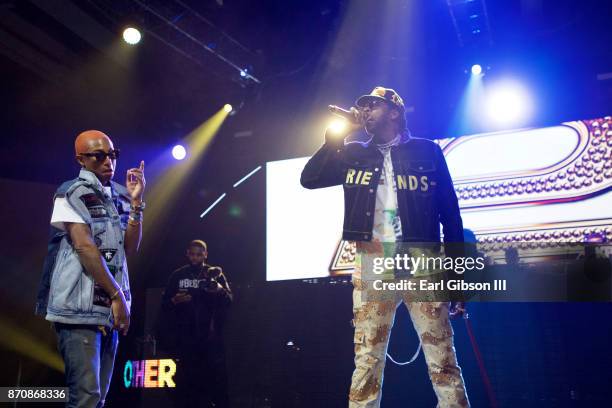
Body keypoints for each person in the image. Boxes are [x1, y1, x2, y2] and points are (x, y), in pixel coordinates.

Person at [301, 87, 470, 407]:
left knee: (442, 358)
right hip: (373, 259)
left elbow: (450, 213)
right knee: (367, 359)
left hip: (422, 260)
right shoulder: (353, 153)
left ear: (394, 112)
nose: (364, 112)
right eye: (362, 107)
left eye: (373, 106)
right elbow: (310, 179)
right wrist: (334, 139)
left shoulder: (427, 151)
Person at [35, 130, 145, 407]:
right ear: (81, 159)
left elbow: (128, 249)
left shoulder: (120, 195)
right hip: (78, 311)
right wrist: (117, 295)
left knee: (98, 399)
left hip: (108, 311)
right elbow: (84, 248)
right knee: (86, 397)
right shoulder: (71, 192)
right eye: (99, 156)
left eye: (112, 154)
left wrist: (136, 204)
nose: (108, 161)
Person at [161, 240, 232, 408]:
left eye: (199, 254)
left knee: (212, 383)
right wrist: (174, 300)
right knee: (185, 385)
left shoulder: (214, 274)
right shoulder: (178, 275)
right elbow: (164, 305)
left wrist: (220, 290)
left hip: (209, 339)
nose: (195, 258)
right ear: (187, 253)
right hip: (184, 340)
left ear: (205, 254)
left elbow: (229, 300)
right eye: (192, 254)